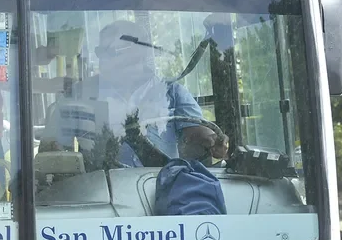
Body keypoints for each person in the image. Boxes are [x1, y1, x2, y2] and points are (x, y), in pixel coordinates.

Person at [42, 20, 227, 168]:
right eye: (100, 51)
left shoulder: (172, 93)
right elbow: (49, 154)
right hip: (100, 196)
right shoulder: (79, 95)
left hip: (163, 193)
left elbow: (201, 137)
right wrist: (55, 151)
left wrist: (212, 142)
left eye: (112, 51)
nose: (102, 58)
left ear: (140, 52)